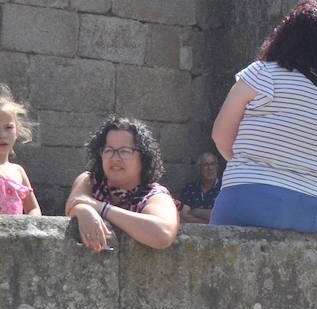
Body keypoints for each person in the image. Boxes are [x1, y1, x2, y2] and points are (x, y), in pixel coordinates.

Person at [210, 0, 317, 232]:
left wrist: (253, 169)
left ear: (285, 35)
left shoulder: (261, 73)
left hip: (252, 197)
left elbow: (221, 136)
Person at [65, 117, 179, 251]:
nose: (115, 158)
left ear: (143, 157)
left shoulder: (154, 195)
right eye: (109, 150)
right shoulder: (89, 180)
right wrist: (85, 210)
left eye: (124, 151)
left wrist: (101, 208)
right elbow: (74, 203)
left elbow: (162, 235)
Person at [0, 85, 40, 215]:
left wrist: (32, 221)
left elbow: (33, 208)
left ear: (17, 131)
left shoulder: (17, 171)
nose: (2, 135)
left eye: (8, 127)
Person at [178, 152, 222, 224]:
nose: (210, 168)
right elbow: (183, 216)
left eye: (213, 164)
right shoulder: (189, 188)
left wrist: (195, 211)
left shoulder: (224, 189)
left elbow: (221, 216)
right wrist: (209, 221)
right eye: (205, 165)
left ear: (217, 167)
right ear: (199, 168)